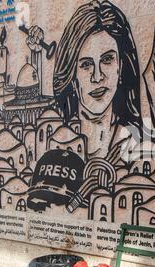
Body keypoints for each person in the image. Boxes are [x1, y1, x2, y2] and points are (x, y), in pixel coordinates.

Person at [53, 0, 142, 161]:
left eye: (107, 59)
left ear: (121, 66)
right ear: (72, 75)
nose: (97, 76)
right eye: (86, 64)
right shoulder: (57, 143)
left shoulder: (135, 144)